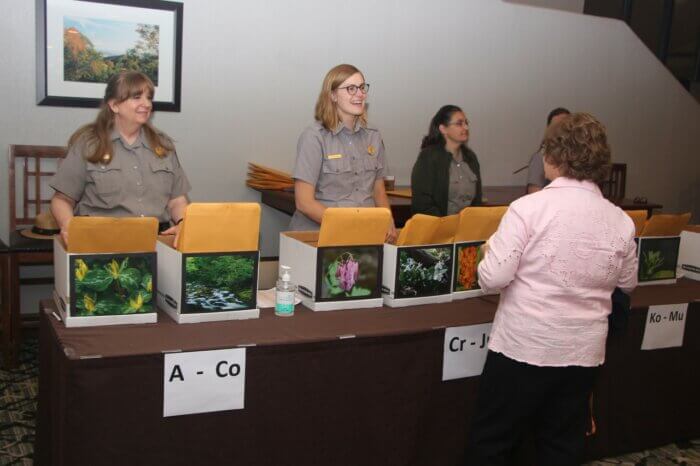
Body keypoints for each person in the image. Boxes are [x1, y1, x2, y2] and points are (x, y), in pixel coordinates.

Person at [465, 113, 638, 465]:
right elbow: (628, 282)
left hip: (524, 349)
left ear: (554, 156)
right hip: (582, 353)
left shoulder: (528, 209)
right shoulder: (620, 219)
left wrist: (487, 252)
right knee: (561, 446)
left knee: (492, 444)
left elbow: (493, 277)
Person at [50, 71, 190, 245]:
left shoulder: (163, 145)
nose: (146, 104)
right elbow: (62, 199)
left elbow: (177, 200)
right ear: (115, 105)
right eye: (137, 97)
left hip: (158, 242)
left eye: (149, 97)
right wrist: (68, 226)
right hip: (102, 242)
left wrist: (183, 224)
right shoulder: (89, 144)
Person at [290, 64, 397, 242]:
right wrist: (349, 227)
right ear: (332, 95)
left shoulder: (374, 136)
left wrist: (388, 219)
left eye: (362, 88)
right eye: (351, 89)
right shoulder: (314, 137)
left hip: (365, 237)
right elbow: (304, 202)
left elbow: (378, 192)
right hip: (320, 238)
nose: (360, 94)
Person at [410, 105, 482, 216]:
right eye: (459, 123)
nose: (466, 127)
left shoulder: (470, 158)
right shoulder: (429, 157)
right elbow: (422, 204)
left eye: (466, 123)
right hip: (438, 227)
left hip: (467, 227)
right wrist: (447, 225)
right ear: (443, 128)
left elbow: (477, 202)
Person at [526, 107, 571, 194]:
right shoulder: (540, 158)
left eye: (565, 125)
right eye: (556, 127)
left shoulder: (582, 156)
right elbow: (534, 196)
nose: (561, 130)